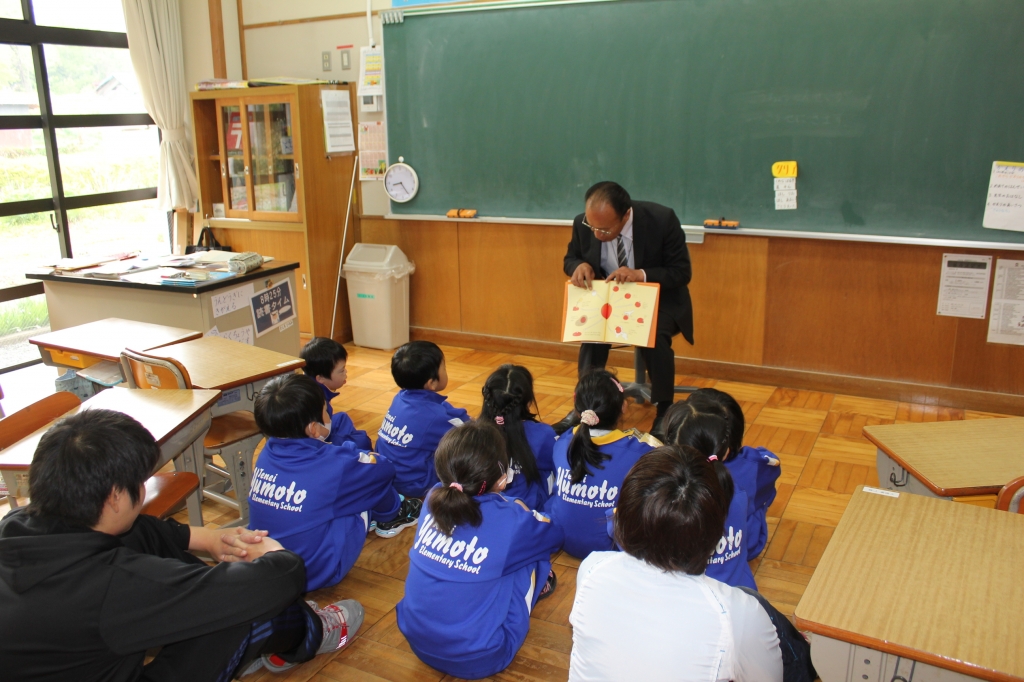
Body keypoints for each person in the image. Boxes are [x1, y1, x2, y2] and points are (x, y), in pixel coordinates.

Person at [0, 409, 363, 681]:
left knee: (153, 547)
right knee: (245, 611)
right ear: (114, 497)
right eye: (141, 482)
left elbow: (138, 531)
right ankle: (312, 633)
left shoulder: (15, 527)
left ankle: (256, 637)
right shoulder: (109, 586)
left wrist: (208, 538)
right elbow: (281, 579)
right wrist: (275, 556)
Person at [568, 445, 816, 682]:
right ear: (715, 536)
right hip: (747, 623)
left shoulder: (592, 568)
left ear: (621, 517)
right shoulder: (738, 613)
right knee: (756, 606)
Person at [397, 421, 564, 680]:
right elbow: (554, 536)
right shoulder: (511, 519)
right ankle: (537, 588)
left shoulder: (432, 498)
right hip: (482, 657)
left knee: (501, 556)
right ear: (502, 478)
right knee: (534, 555)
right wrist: (520, 508)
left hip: (417, 643)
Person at [250, 373, 421, 592]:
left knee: (344, 487)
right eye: (325, 409)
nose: (329, 413)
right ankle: (393, 514)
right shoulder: (335, 463)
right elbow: (384, 469)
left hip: (268, 568)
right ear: (313, 428)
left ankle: (388, 513)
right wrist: (351, 452)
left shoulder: (266, 454)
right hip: (317, 572)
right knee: (368, 481)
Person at [559, 181, 693, 438]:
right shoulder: (583, 223)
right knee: (592, 333)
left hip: (658, 299)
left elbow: (681, 272)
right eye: (592, 226)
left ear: (626, 215)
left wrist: (640, 274)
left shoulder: (661, 220)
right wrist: (578, 266)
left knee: (653, 333)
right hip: (609, 300)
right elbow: (570, 258)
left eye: (604, 229)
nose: (597, 234)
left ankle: (665, 408)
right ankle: (585, 405)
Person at [544, 369, 659, 559]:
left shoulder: (562, 442)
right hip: (611, 549)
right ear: (624, 406)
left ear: (576, 407)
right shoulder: (642, 452)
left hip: (564, 540)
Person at [664, 404, 756, 590]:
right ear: (726, 451)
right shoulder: (738, 495)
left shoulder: (670, 502)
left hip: (694, 597)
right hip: (741, 593)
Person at [687, 387, 781, 558]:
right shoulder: (755, 463)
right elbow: (770, 481)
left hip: (683, 554)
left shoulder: (665, 466)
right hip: (743, 547)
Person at [376, 340, 471, 498]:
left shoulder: (400, 398)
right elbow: (469, 430)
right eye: (444, 367)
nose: (446, 370)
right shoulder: (434, 416)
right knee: (466, 452)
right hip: (417, 483)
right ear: (431, 383)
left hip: (389, 474)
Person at [479, 364, 556, 510]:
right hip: (528, 510)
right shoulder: (544, 434)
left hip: (484, 508)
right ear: (528, 401)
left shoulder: (471, 435)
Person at [300, 336, 372, 449]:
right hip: (315, 443)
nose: (346, 372)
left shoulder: (308, 382)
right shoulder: (316, 401)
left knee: (342, 417)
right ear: (320, 378)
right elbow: (318, 437)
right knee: (362, 441)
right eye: (341, 370)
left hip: (319, 430)